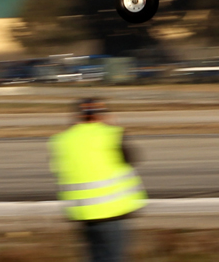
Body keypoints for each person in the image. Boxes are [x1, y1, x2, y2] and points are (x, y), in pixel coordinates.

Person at [49, 98, 146, 262]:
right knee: (113, 258)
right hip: (111, 211)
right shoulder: (112, 134)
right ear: (101, 115)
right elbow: (131, 158)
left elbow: (58, 169)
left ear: (77, 116)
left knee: (96, 257)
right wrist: (112, 127)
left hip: (82, 214)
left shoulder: (62, 140)